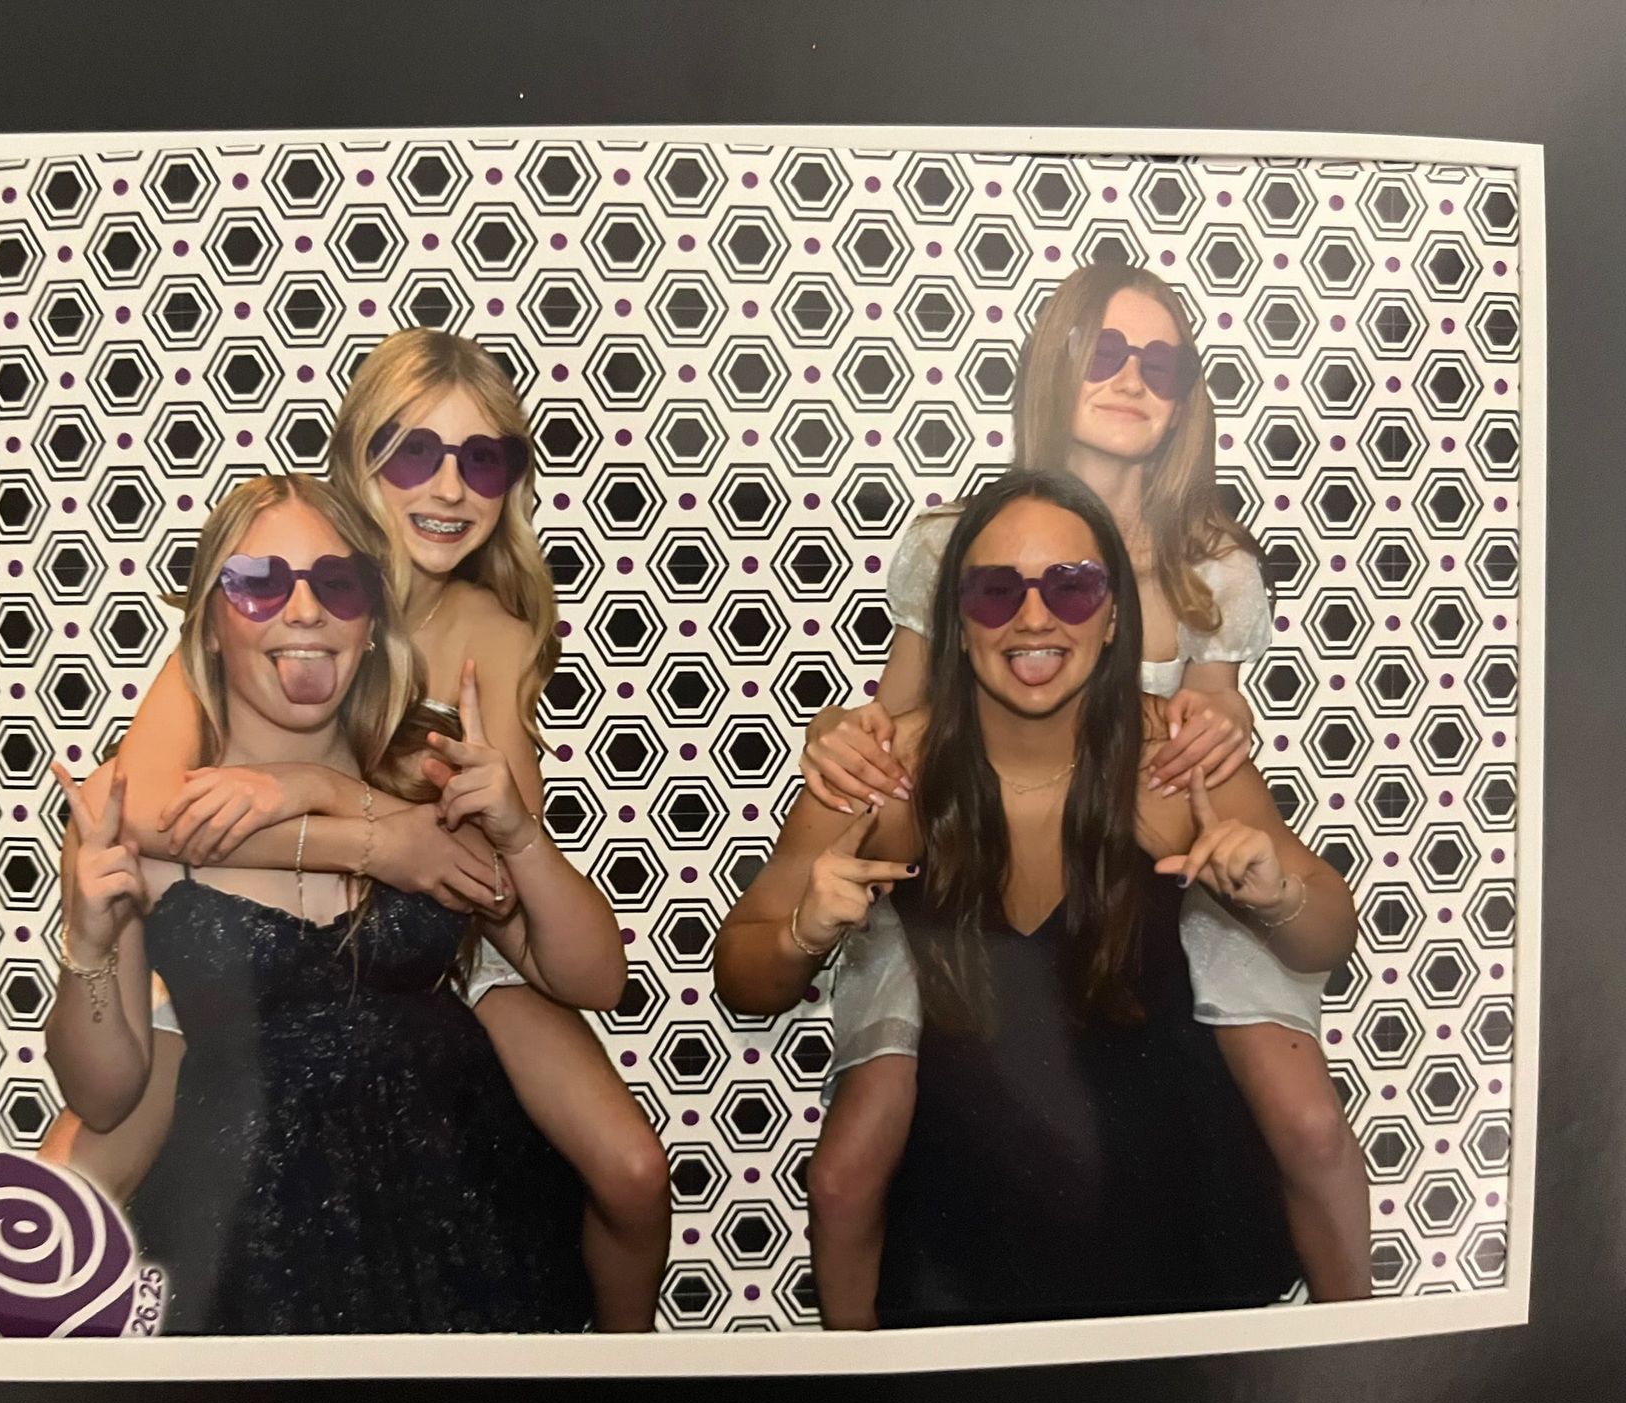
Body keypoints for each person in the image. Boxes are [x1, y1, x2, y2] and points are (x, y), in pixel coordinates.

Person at [72, 330, 669, 1331]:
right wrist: (357, 832)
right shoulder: (270, 589)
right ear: (359, 456)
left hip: (448, 943)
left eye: (483, 458)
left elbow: (486, 868)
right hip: (241, 944)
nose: (449, 485)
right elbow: (136, 812)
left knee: (632, 1168)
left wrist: (333, 799)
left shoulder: (494, 632)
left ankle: (618, 1376)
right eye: (413, 453)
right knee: (58, 1194)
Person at [798, 263, 1368, 1310]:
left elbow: (1209, 738)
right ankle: (859, 1386)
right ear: (1057, 361)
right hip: (971, 873)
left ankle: (1361, 1366)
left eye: (1162, 362)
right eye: (1107, 351)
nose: (1132, 379)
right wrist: (835, 739)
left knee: (1308, 1124)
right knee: (847, 1170)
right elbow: (899, 720)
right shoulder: (953, 541)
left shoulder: (1213, 571)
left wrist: (1222, 733)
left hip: (1156, 874)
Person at [716, 472, 1359, 1328]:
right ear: (956, 620)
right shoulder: (886, 777)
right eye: (994, 590)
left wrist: (1274, 893)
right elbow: (742, 975)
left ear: (1115, 613)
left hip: (1172, 1242)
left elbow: (1326, 939)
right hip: (969, 1255)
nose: (1033, 616)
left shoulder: (1172, 759)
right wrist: (803, 932)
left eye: (1072, 585)